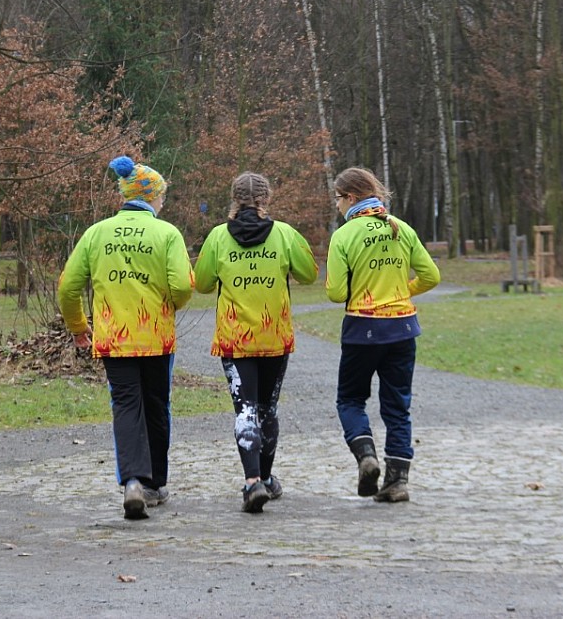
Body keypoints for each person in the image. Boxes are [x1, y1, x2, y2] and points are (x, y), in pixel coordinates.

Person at [57, 155, 193, 520]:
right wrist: (171, 304)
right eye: (161, 195)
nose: (163, 202)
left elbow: (68, 288)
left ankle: (132, 479)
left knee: (126, 405)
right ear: (152, 197)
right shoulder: (167, 234)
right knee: (156, 405)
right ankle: (154, 485)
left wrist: (79, 328)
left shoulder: (96, 233)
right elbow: (181, 286)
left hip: (114, 339)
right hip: (156, 338)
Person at [193, 172, 318, 513]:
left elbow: (202, 284)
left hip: (235, 340)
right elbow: (309, 274)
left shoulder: (218, 237)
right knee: (267, 408)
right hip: (274, 336)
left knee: (245, 408)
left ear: (234, 199)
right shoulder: (284, 234)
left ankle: (252, 483)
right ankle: (265, 477)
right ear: (267, 198)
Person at [325, 167, 441, 502]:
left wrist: (354, 286)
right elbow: (431, 276)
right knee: (397, 406)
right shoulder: (400, 228)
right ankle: (397, 481)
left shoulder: (345, 235)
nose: (336, 205)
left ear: (350, 197)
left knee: (350, 399)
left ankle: (366, 456)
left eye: (337, 197)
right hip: (403, 328)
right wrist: (403, 289)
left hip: (363, 329)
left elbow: (335, 293)